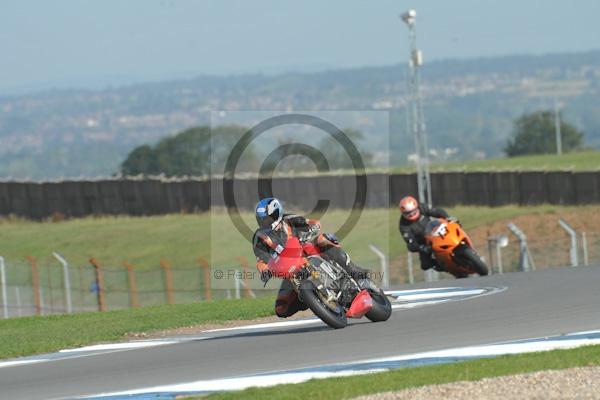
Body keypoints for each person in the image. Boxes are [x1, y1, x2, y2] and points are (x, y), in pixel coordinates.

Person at [252, 197, 369, 318]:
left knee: (322, 240)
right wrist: (265, 271)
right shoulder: (260, 237)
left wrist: (309, 232)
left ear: (277, 213)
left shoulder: (290, 219)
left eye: (268, 218)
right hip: (290, 271)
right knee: (281, 309)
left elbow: (313, 223)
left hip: (308, 252)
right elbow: (261, 260)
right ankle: (311, 298)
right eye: (262, 220)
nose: (266, 222)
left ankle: (353, 269)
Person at [398, 195, 452, 272]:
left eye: (413, 211)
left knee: (453, 229)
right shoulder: (403, 225)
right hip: (423, 241)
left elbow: (437, 211)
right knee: (425, 265)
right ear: (403, 213)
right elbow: (410, 243)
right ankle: (445, 267)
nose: (411, 214)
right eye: (408, 213)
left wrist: (447, 218)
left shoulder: (423, 207)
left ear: (417, 208)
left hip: (436, 231)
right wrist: (421, 247)